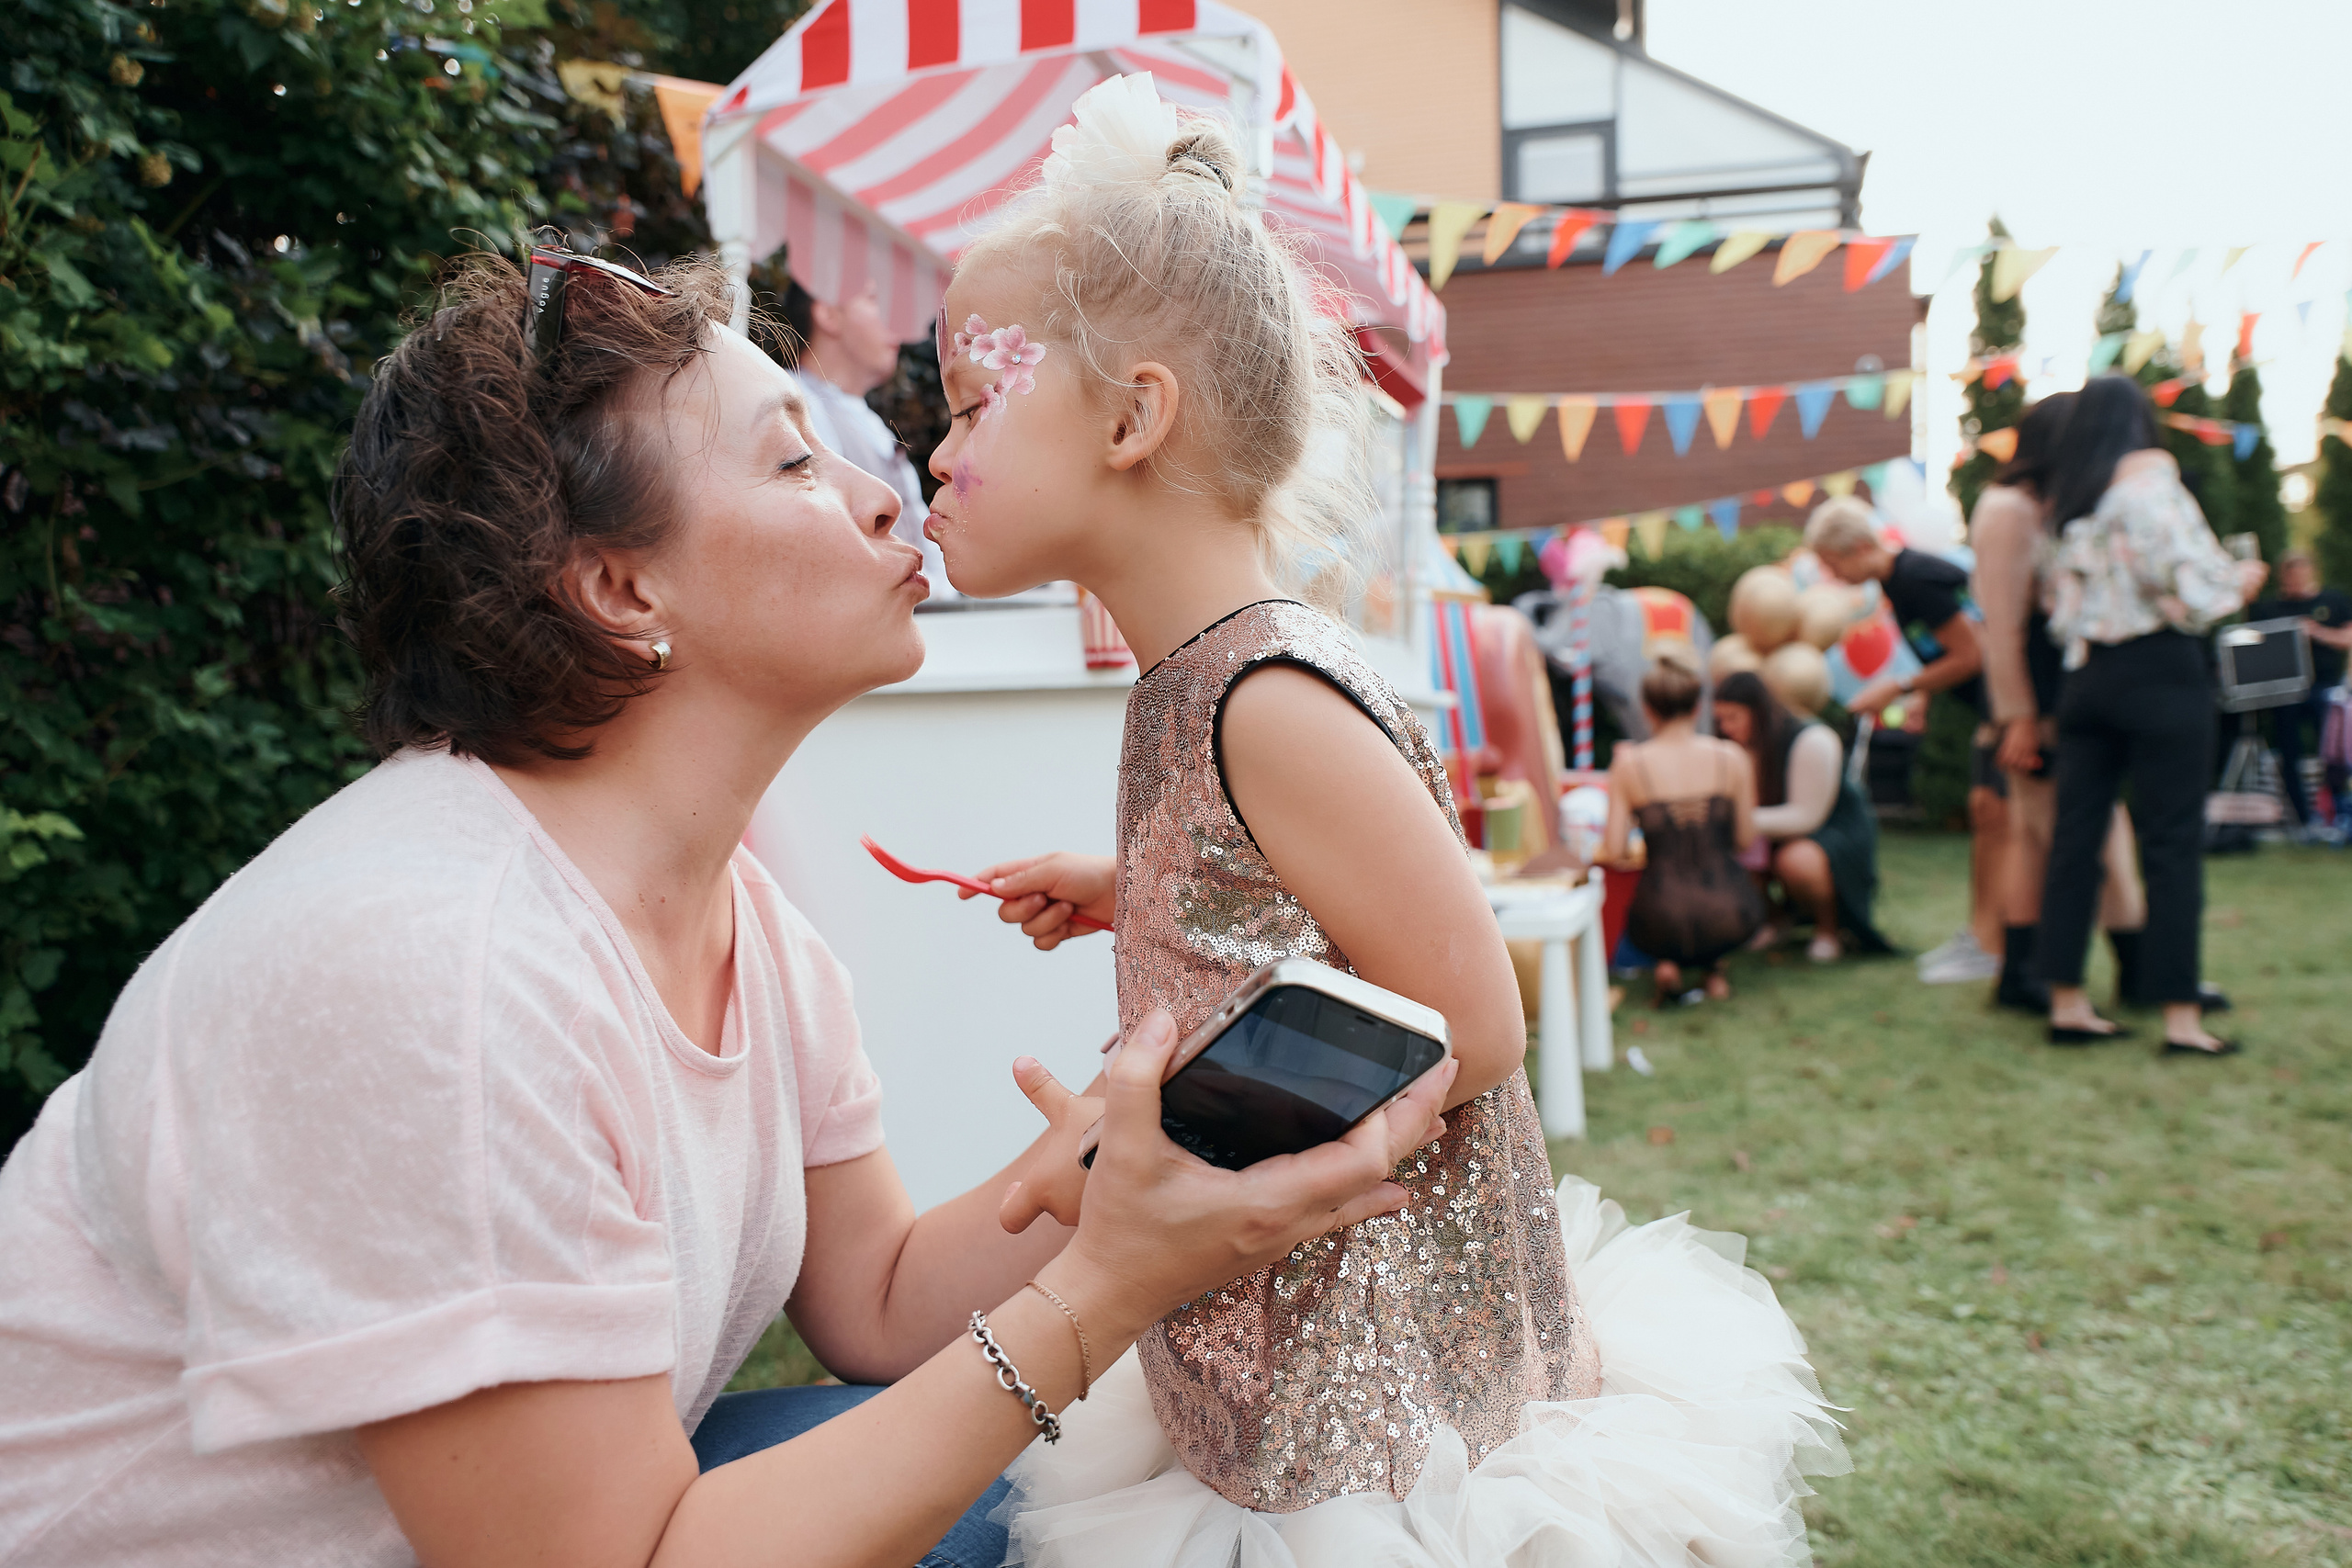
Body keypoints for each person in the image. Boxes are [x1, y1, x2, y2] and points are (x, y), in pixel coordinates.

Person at [0, 249, 1463, 1568]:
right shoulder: (431, 968)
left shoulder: (739, 921)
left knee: (1058, 1497)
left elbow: (882, 1297)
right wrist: (1107, 1285)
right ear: (619, 586)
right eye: (792, 464)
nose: (889, 491)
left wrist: (1136, 1150)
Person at [922, 75, 1844, 1566]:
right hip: (1270, 1354)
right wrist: (1145, 886)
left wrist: (1134, 1126)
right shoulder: (1192, 680)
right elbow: (1303, 895)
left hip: (1379, 1420)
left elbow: (1473, 1021)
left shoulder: (1266, 695)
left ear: (1133, 416)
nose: (939, 454)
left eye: (971, 404)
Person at [2038, 374, 2267, 1055]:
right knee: (2169, 844)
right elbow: (2196, 586)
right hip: (2160, 674)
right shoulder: (2152, 490)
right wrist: (2240, 582)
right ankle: (2179, 1018)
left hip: (2085, 679)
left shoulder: (2068, 504)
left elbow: (2059, 609)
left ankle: (2067, 1004)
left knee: (2074, 842)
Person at [1970, 394, 2154, 1013]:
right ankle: (2140, 971)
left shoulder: (2038, 508)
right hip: (2038, 709)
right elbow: (2002, 628)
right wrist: (2016, 716)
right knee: (2100, 838)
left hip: (2049, 703)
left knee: (2035, 836)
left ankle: (2021, 974)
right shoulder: (2009, 511)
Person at [1804, 497, 1996, 982]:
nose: (1830, 574)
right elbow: (1952, 646)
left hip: (2007, 708)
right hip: (1991, 708)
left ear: (1857, 548)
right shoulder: (1900, 581)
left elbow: (1972, 655)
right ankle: (1983, 933)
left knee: (1995, 819)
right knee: (1985, 812)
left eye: (1831, 563)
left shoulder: (1914, 579)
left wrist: (1898, 686)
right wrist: (1925, 698)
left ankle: (1991, 939)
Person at [779, 271, 956, 596]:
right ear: (828, 313)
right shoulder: (792, 406)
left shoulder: (868, 420)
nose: (897, 322)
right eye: (875, 300)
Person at [1601, 658, 1766, 1004]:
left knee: (1669, 902)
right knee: (1711, 896)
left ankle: (1669, 963)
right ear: (1698, 706)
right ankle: (1713, 970)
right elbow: (1745, 840)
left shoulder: (1630, 764)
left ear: (1647, 709)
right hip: (1732, 910)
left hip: (1660, 916)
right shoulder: (1732, 757)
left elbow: (1614, 850)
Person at [1713, 669, 1892, 963]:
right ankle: (1774, 919)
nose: (1725, 727)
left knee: (1795, 861)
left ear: (1758, 713)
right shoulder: (1737, 748)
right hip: (1774, 832)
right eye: (1720, 720)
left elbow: (1806, 817)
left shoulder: (1813, 739)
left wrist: (1734, 821)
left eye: (1733, 718)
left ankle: (1829, 929)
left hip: (1833, 836)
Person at [2245, 548, 2352, 838]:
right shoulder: (2270, 609)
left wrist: (2315, 631)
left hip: (2326, 689)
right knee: (2288, 752)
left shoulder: (2333, 601)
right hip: (2285, 693)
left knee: (2334, 751)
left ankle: (2336, 813)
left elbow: (2348, 637)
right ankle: (2303, 821)